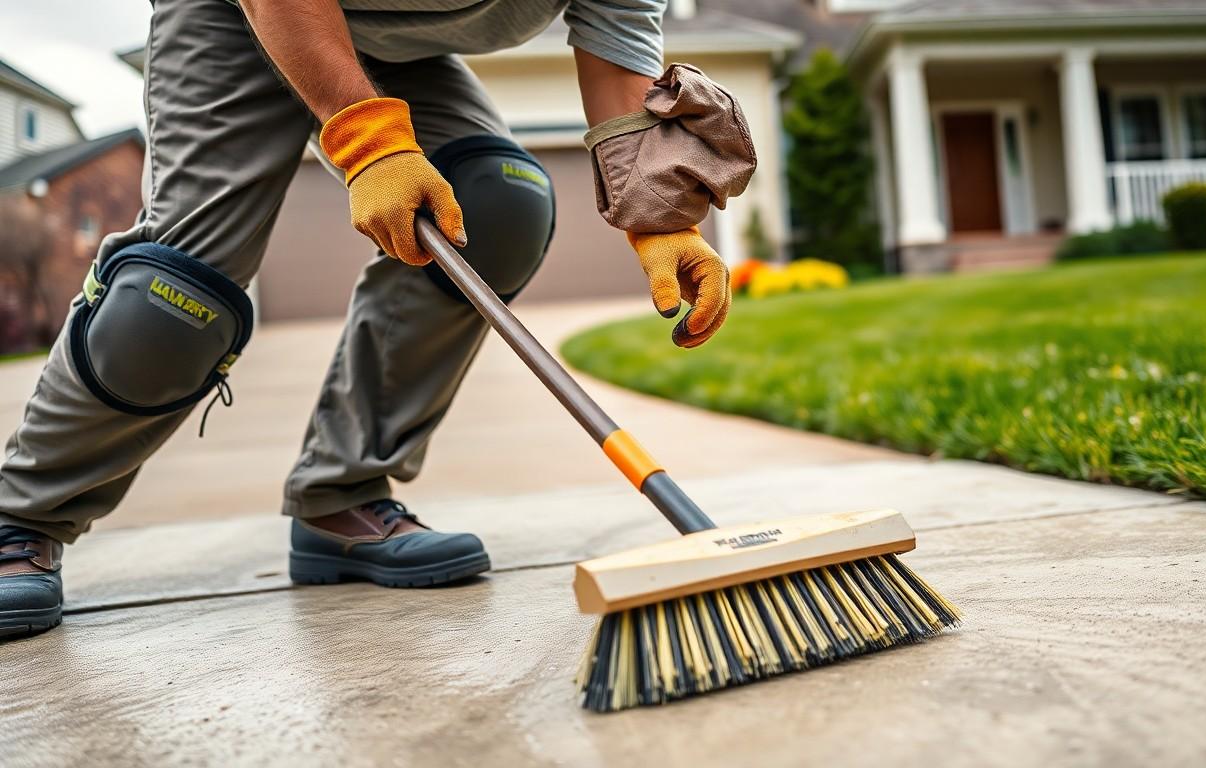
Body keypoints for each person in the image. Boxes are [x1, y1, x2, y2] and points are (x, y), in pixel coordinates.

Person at [0, 0, 755, 640]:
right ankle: (20, 516)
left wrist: (663, 227)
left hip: (392, 47)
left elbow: (618, 65)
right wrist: (367, 141)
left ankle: (341, 495)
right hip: (240, 16)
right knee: (172, 305)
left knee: (497, 201)